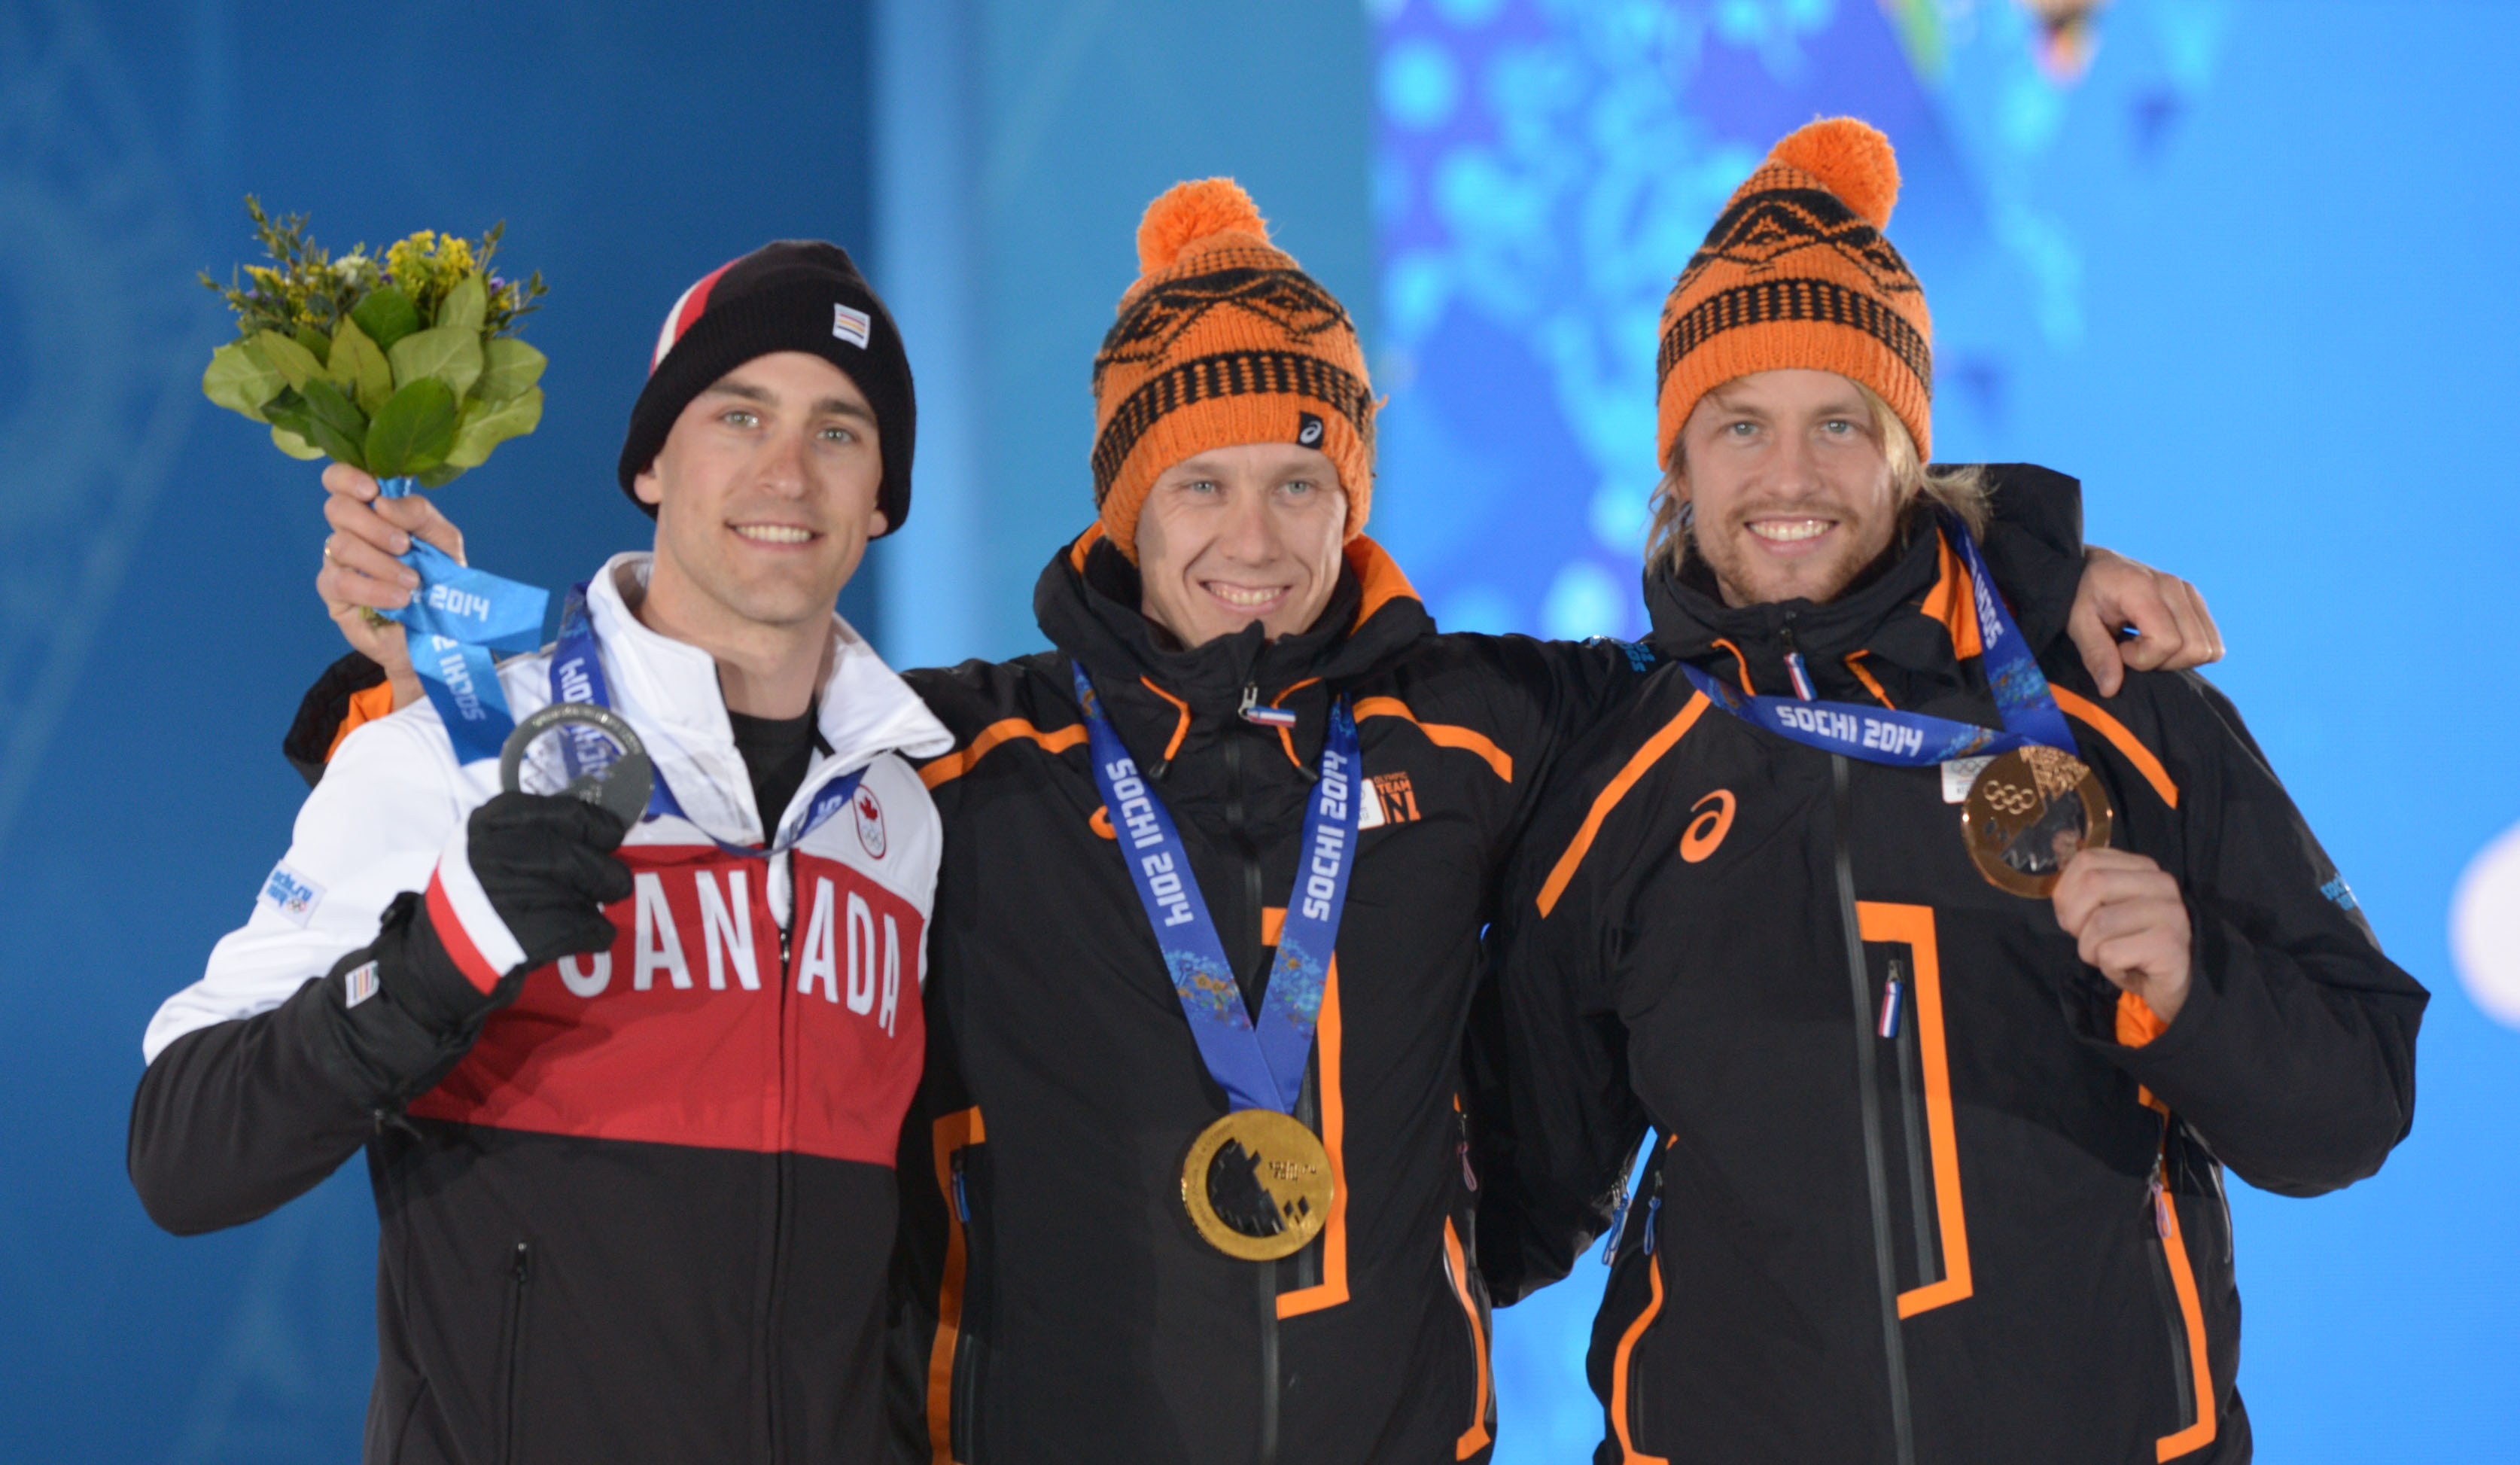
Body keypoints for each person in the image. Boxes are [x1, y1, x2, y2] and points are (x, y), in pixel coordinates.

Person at [304, 183, 2220, 1464]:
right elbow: (695, 695)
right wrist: (428, 656)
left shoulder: (1483, 721)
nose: (1250, 534)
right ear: (1119, 506)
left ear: (1355, 490)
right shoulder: (964, 748)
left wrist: (2032, 561)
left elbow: (1796, 613)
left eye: (1299, 478)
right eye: (1197, 482)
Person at [1472, 119, 2426, 1465]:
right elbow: (1513, 1200)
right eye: (1740, 424)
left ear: (1908, 448)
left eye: (1839, 423)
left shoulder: (2111, 695)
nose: (1789, 477)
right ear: (1676, 465)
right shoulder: (1613, 770)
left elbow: (2354, 1103)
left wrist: (2195, 991)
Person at [129, 242, 954, 1464]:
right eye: (740, 414)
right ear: (651, 464)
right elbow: (182, 1154)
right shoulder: (454, 749)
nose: (789, 469)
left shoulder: (902, 814)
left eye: (840, 431)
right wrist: (437, 960)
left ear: (882, 497)